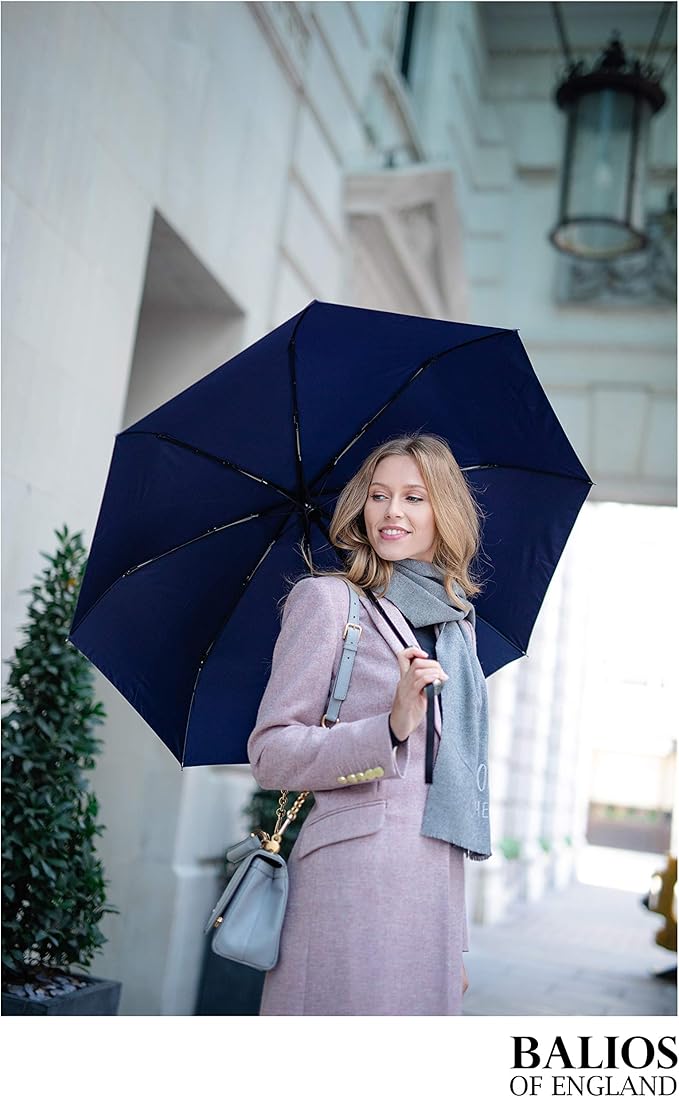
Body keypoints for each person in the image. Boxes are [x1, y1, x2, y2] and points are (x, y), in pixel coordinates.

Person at [247, 433, 491, 1016]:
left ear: (444, 512)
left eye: (413, 497)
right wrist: (390, 727)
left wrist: (454, 941)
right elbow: (271, 753)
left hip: (432, 888)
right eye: (379, 495)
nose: (391, 512)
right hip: (351, 880)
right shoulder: (330, 601)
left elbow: (450, 789)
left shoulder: (457, 627)